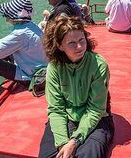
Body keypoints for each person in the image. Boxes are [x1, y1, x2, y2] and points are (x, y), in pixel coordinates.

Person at [39, 16, 114, 158]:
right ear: (60, 46)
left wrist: (74, 141)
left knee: (88, 155)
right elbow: (56, 109)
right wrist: (62, 144)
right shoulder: (54, 68)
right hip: (67, 116)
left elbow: (96, 109)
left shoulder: (98, 65)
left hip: (97, 119)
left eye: (81, 40)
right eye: (72, 43)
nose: (79, 47)